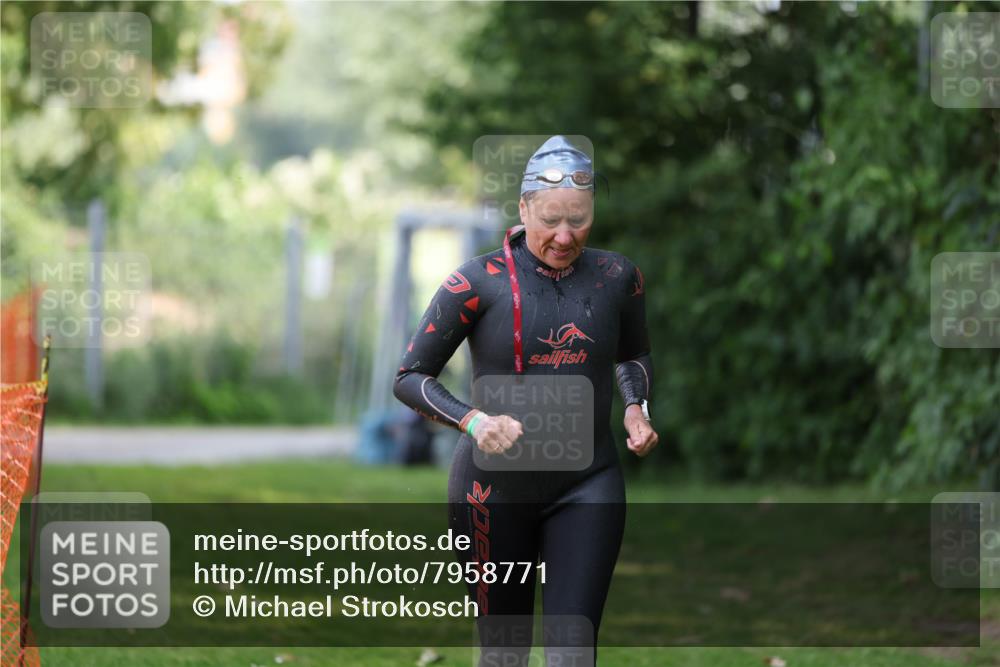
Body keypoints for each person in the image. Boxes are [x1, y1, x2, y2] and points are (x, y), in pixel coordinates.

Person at [393, 135, 658, 666]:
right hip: (493, 490)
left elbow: (634, 355)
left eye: (579, 221)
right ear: (523, 208)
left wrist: (636, 407)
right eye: (550, 221)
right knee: (503, 656)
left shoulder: (616, 277)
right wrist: (472, 421)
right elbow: (410, 376)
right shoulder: (475, 282)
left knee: (573, 655)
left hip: (588, 482)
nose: (565, 236)